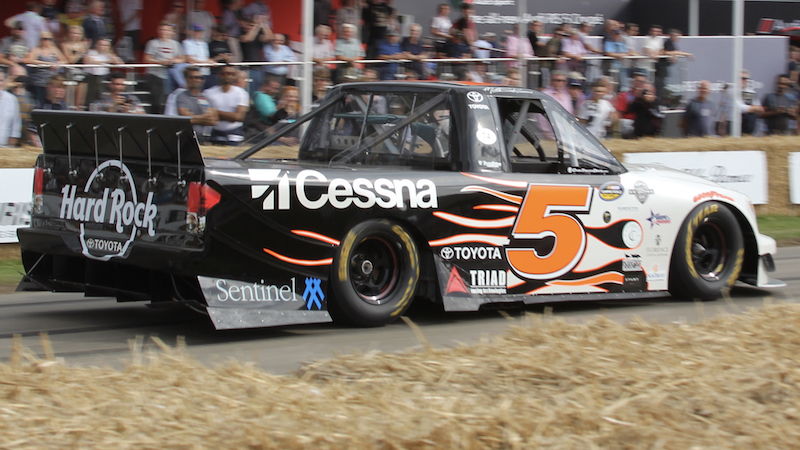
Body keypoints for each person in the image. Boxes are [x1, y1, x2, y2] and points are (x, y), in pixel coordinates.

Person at [144, 22, 184, 115]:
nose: (164, 32)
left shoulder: (176, 44)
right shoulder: (153, 43)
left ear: (172, 32)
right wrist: (161, 62)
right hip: (156, 75)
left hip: (170, 77)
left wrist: (173, 60)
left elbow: (182, 59)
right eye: (162, 29)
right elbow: (147, 58)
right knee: (156, 102)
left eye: (166, 30)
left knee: (168, 102)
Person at [203, 65, 249, 144]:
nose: (228, 76)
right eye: (225, 73)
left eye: (231, 74)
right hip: (214, 133)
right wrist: (230, 116)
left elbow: (239, 117)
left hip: (234, 134)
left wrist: (215, 112)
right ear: (219, 75)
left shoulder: (241, 93)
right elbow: (206, 115)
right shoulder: (208, 93)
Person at [23, 30, 67, 106]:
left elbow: (65, 60)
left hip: (52, 82)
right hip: (39, 81)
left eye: (49, 39)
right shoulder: (36, 49)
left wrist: (58, 64)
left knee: (54, 101)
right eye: (44, 39)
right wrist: (47, 63)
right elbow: (28, 60)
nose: (46, 41)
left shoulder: (54, 49)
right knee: (40, 102)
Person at [176, 66, 218, 143]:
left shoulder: (206, 97)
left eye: (199, 77)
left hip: (203, 137)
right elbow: (185, 119)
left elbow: (213, 121)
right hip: (188, 136)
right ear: (186, 78)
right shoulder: (181, 96)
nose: (196, 80)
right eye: (192, 77)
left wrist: (194, 118)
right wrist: (204, 117)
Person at [83, 38, 123, 107]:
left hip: (104, 77)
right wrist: (108, 61)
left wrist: (111, 55)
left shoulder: (109, 55)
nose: (102, 47)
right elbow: (89, 61)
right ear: (96, 45)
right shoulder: (90, 52)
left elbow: (121, 64)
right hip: (90, 77)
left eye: (106, 45)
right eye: (101, 45)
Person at [239, 15, 272, 97]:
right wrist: (257, 25)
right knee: (247, 92)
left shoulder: (258, 37)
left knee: (257, 93)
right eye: (250, 25)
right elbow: (248, 38)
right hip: (246, 68)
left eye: (253, 25)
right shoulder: (241, 35)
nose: (252, 27)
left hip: (258, 69)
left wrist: (264, 24)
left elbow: (270, 37)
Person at [61, 25, 89, 109]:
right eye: (73, 33)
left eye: (78, 33)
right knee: (69, 101)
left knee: (80, 103)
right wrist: (79, 53)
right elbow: (70, 60)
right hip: (70, 74)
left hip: (82, 73)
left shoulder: (84, 45)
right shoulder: (65, 45)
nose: (75, 35)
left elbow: (87, 60)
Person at [0, 70, 22, 147]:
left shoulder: (11, 99)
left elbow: (15, 128)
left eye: (1, 80)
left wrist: (9, 149)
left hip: (4, 148)